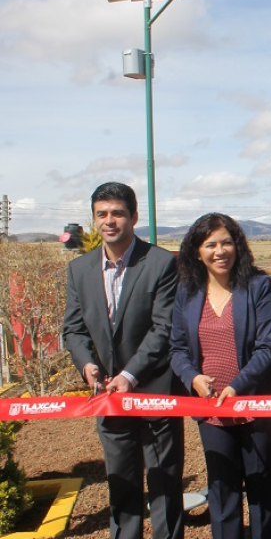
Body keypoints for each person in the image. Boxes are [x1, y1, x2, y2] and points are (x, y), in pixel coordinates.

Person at [62, 182, 184, 539]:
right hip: (108, 399)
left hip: (155, 394)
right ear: (94, 219)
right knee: (122, 487)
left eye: (117, 213)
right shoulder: (80, 270)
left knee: (164, 486)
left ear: (133, 216)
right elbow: (73, 329)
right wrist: (87, 365)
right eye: (102, 214)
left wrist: (130, 375)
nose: (109, 221)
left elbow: (164, 328)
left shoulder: (161, 263)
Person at [169, 213, 271, 539]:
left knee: (261, 489)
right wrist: (192, 377)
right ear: (196, 251)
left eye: (226, 242)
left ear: (238, 246)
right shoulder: (187, 292)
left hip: (255, 404)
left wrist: (238, 386)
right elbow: (177, 348)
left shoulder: (258, 286)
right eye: (211, 244)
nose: (220, 251)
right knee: (223, 492)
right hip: (212, 411)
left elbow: (268, 346)